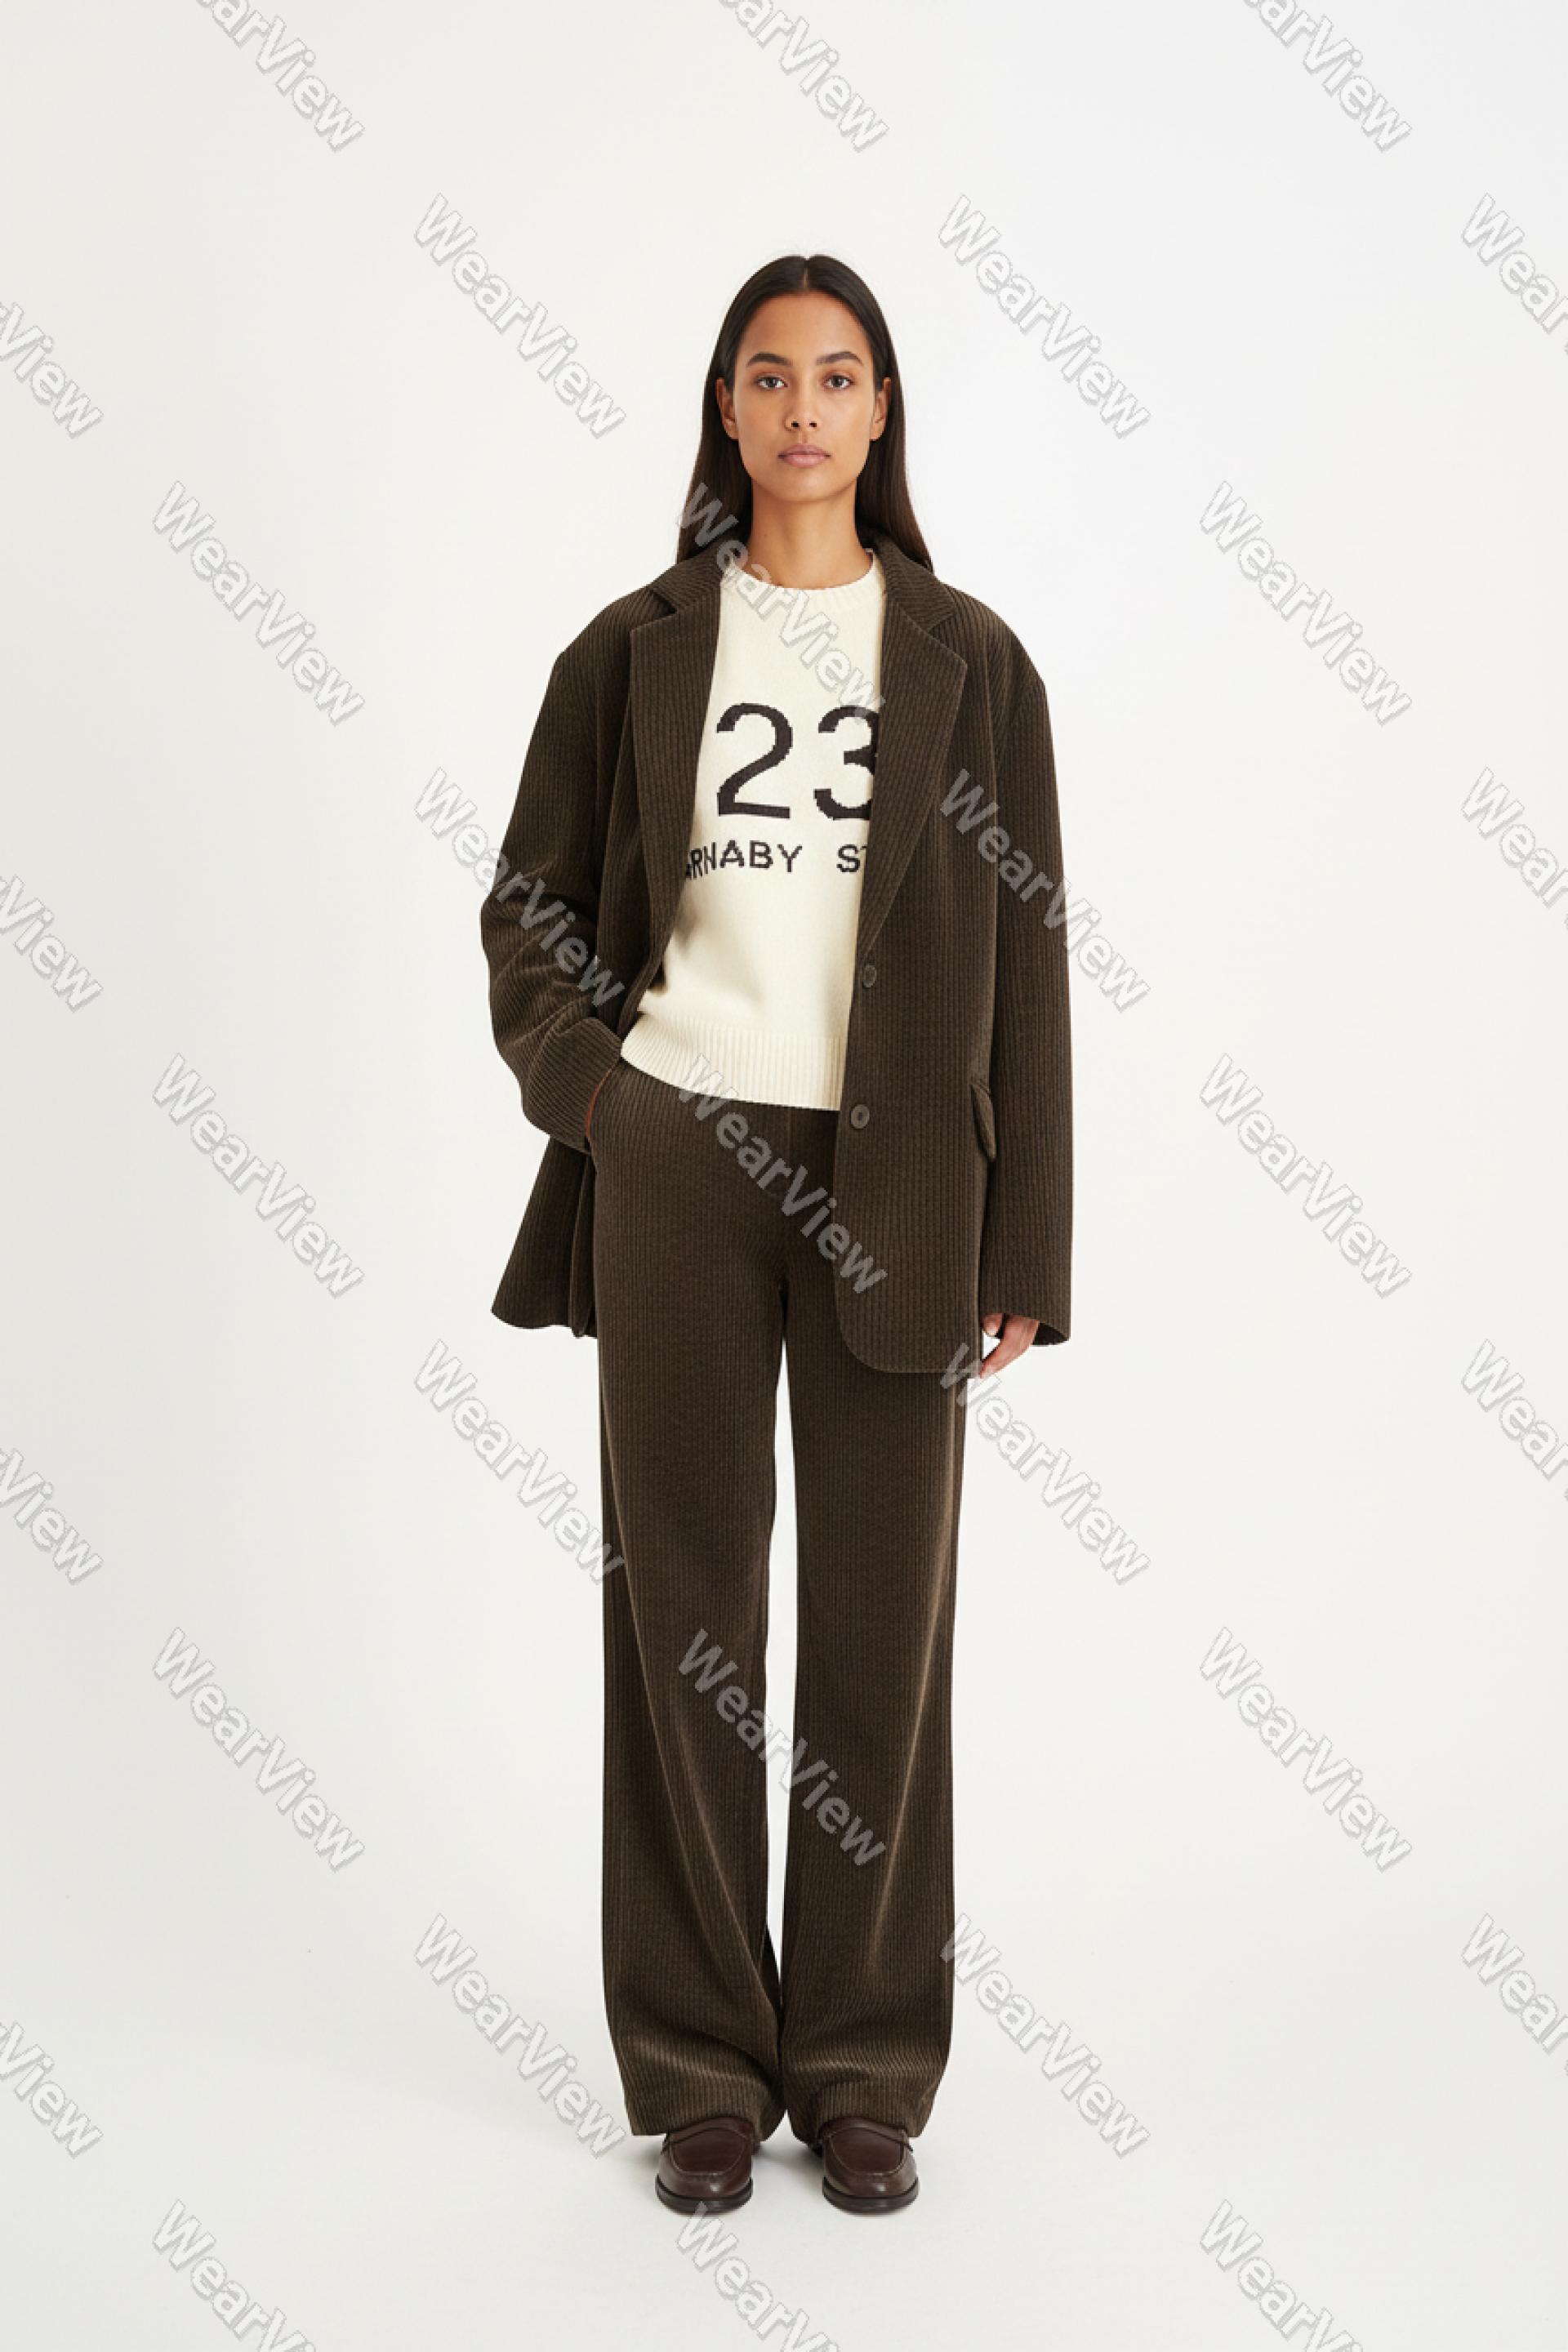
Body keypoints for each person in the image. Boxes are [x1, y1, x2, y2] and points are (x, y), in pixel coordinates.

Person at [480, 252, 1072, 2216]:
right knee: (685, 1621)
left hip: (906, 1188)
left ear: (883, 408)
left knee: (884, 1636)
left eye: (838, 375)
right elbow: (529, 909)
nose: (803, 408)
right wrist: (603, 1102)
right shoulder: (631, 649)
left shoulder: (974, 661)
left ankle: (865, 2062)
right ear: (725, 409)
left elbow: (1032, 971)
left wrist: (1029, 1242)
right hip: (677, 1169)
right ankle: (698, 2063)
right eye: (768, 375)